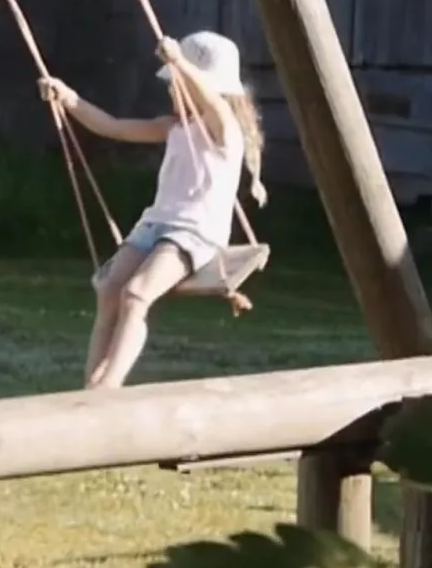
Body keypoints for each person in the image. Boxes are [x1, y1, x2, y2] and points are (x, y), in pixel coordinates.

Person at [40, 32, 267, 389]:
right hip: (156, 224)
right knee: (110, 289)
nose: (171, 89)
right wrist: (70, 99)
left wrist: (179, 63)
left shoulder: (226, 132)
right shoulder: (174, 127)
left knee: (136, 295)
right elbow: (112, 127)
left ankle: (107, 387)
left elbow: (213, 105)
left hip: (194, 232)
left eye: (177, 83)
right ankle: (90, 386)